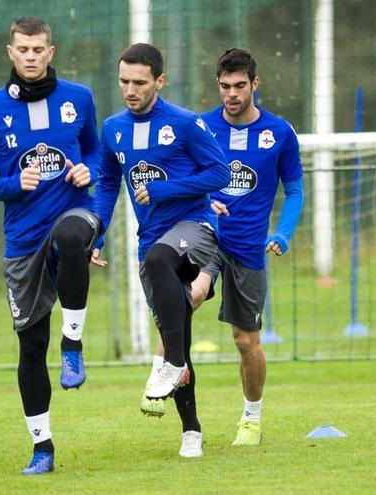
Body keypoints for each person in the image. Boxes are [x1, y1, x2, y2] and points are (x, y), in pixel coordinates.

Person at [138, 48, 305, 448]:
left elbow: (295, 190)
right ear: (218, 84)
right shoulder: (200, 127)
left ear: (254, 84)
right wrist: (203, 200)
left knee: (245, 341)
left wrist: (282, 232)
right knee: (184, 297)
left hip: (249, 246)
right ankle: (164, 370)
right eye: (225, 86)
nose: (231, 94)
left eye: (239, 86)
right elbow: (189, 177)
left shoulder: (279, 133)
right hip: (206, 233)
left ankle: (251, 417)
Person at [0, 17, 102, 475]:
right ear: (10, 52)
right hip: (23, 236)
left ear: (51, 52)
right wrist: (13, 184)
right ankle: (42, 447)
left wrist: (88, 171)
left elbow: (96, 152)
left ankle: (74, 343)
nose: (30, 56)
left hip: (73, 213)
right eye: (22, 49)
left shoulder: (79, 99)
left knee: (71, 236)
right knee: (30, 346)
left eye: (38, 49)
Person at [93, 43, 230, 458]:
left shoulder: (184, 124)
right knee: (179, 337)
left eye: (139, 82)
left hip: (195, 229)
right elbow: (106, 183)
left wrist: (164, 189)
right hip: (151, 240)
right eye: (123, 81)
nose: (130, 89)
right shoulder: (113, 128)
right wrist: (96, 234)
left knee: (158, 263)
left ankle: (169, 364)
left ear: (159, 81)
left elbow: (219, 172)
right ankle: (192, 431)